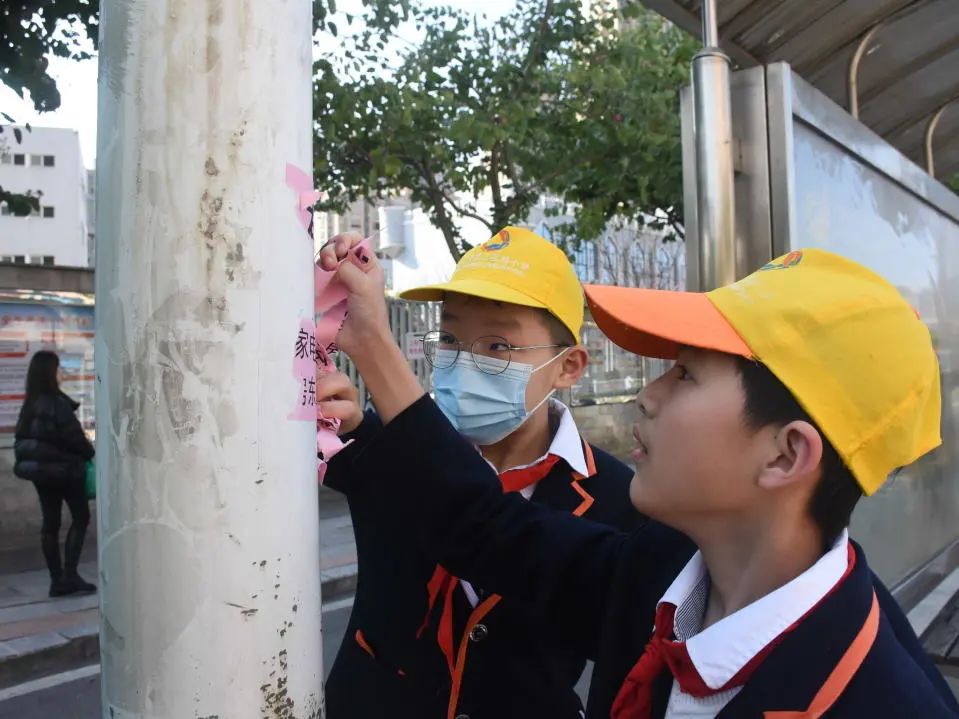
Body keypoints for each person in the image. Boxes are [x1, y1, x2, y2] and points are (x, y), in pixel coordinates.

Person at [320, 236, 959, 718]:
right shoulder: (662, 572)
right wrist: (373, 352)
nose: (646, 396)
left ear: (786, 456)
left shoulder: (878, 699)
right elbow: (481, 524)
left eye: (685, 374)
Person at [320, 227, 640, 719]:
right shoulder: (384, 444)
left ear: (569, 366)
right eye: (448, 338)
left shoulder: (619, 495)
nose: (463, 361)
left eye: (497, 346)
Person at [13, 351, 96, 598]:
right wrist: (87, 452)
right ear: (50, 373)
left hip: (41, 474)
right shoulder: (57, 405)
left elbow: (24, 442)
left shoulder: (29, 406)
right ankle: (70, 574)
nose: (61, 374)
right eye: (58, 369)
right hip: (65, 472)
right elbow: (78, 442)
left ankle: (56, 579)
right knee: (80, 517)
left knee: (50, 523)